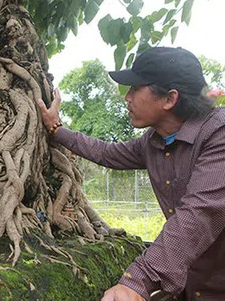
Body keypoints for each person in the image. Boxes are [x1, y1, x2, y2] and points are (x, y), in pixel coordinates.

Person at [37, 47, 225, 301]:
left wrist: (138, 280)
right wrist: (55, 128)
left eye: (135, 88)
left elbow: (199, 213)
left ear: (170, 99)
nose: (127, 97)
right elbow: (106, 152)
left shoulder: (218, 134)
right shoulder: (153, 142)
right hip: (193, 284)